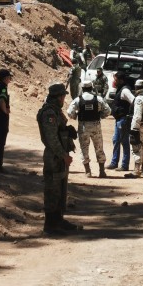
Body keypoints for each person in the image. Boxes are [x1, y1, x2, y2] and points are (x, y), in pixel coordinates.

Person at [37, 83, 80, 235]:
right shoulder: (49, 113)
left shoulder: (55, 111)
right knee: (52, 189)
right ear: (58, 97)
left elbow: (58, 132)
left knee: (60, 188)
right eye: (62, 96)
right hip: (54, 156)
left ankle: (58, 220)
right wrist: (63, 155)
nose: (64, 99)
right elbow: (51, 139)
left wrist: (67, 131)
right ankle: (50, 224)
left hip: (59, 155)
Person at [66, 80, 110, 178]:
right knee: (99, 148)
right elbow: (108, 110)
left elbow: (69, 112)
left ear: (82, 88)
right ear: (91, 88)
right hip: (96, 126)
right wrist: (101, 115)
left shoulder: (78, 100)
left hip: (83, 126)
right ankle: (102, 171)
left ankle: (88, 171)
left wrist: (75, 116)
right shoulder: (98, 99)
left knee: (84, 148)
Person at [106, 71, 134, 171]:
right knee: (116, 140)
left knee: (124, 142)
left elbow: (134, 101)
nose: (114, 81)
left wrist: (128, 114)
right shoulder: (121, 89)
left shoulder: (125, 91)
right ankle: (114, 163)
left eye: (116, 79)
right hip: (119, 119)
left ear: (121, 80)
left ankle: (124, 165)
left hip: (123, 119)